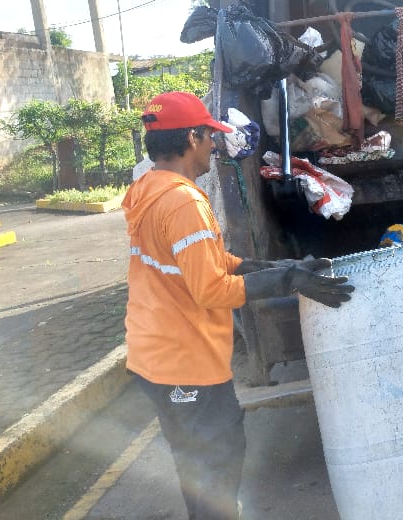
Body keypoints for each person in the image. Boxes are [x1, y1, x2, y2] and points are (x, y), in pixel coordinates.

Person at [123, 91, 354, 519]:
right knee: (215, 460)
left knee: (199, 461)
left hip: (155, 352)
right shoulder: (183, 202)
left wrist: (275, 266)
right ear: (191, 138)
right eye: (209, 136)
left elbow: (207, 261)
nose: (214, 145)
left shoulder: (150, 188)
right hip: (182, 359)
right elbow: (211, 289)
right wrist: (287, 280)